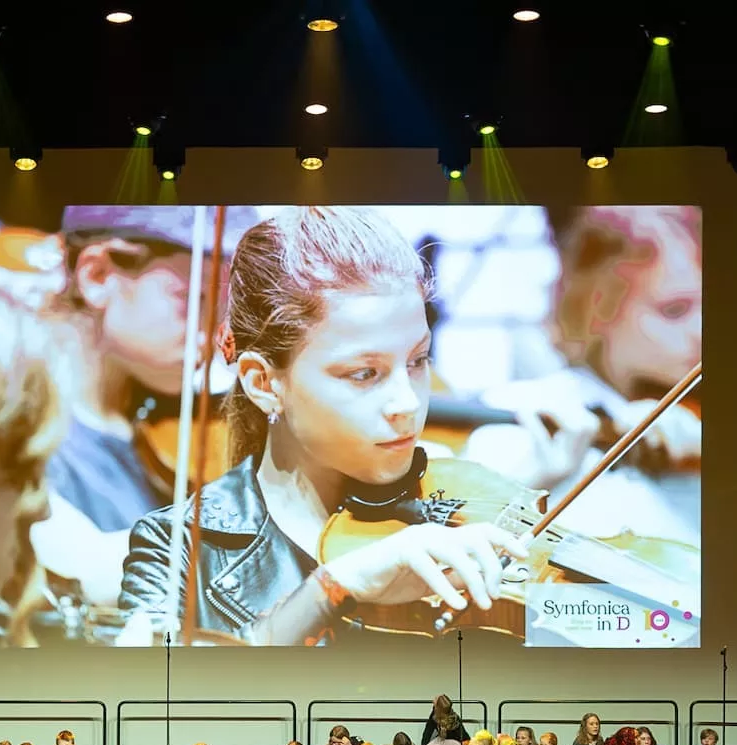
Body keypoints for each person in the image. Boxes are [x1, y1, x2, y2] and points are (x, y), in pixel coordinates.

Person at [119, 207, 528, 643]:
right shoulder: (177, 547)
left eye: (417, 360)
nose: (407, 403)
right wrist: (332, 587)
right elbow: (157, 700)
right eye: (363, 374)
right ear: (263, 383)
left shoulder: (454, 511)